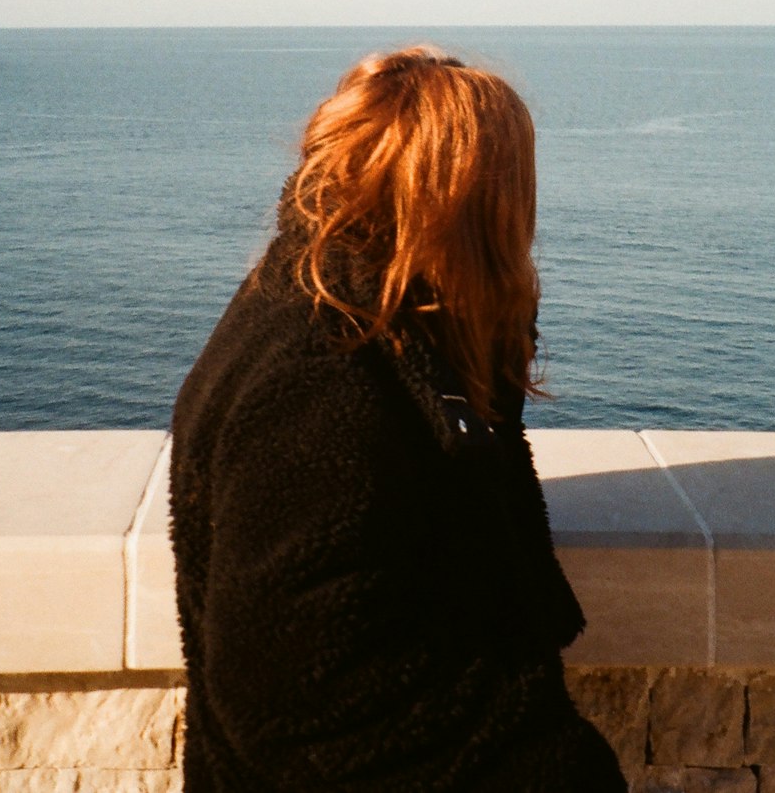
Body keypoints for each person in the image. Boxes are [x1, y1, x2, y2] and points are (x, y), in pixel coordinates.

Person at [170, 46, 626, 792]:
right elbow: (288, 694)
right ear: (466, 198)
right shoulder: (321, 380)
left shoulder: (353, 313)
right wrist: (544, 763)